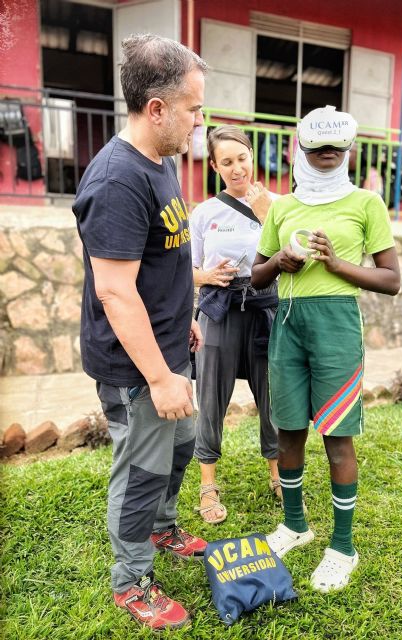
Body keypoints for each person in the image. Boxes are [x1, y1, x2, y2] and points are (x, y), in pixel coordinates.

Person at [72, 35, 208, 631]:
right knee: (141, 472)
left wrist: (188, 323)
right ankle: (132, 581)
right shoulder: (117, 181)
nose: (199, 122)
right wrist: (158, 375)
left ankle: (163, 526)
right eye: (194, 109)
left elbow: (167, 259)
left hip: (173, 348)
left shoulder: (161, 161)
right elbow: (116, 292)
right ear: (157, 109)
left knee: (179, 450)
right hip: (137, 369)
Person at [251, 105, 400, 593]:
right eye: (318, 147)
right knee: (288, 429)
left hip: (337, 325)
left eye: (337, 146)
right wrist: (278, 261)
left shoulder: (366, 203)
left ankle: (343, 546)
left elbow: (391, 279)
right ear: (303, 149)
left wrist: (337, 265)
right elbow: (254, 278)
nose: (328, 154)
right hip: (288, 325)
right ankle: (295, 525)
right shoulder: (282, 206)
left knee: (337, 437)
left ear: (350, 149)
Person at [190, 125, 280, 524]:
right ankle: (207, 484)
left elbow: (296, 259)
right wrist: (207, 277)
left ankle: (281, 475)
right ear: (215, 166)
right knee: (210, 398)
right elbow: (184, 271)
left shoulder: (278, 204)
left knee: (273, 397)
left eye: (241, 158)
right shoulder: (204, 213)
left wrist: (268, 217)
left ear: (251, 154)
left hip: (265, 309)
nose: (237, 168)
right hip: (219, 309)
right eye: (226, 162)